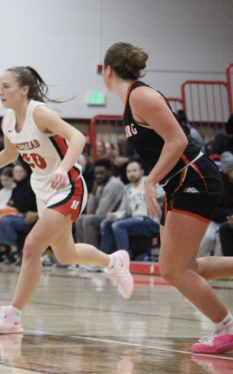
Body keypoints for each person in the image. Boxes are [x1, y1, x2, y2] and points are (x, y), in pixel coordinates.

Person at [0, 66, 134, 334]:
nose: (0, 91)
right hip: (43, 188)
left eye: (6, 86)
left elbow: (78, 137)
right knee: (66, 254)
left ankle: (13, 316)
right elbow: (9, 155)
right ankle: (114, 262)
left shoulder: (39, 112)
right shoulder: (8, 120)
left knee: (32, 247)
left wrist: (63, 168)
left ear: (24, 90)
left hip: (68, 185)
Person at [103, 42, 233, 354]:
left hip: (194, 177)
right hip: (181, 181)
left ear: (107, 71)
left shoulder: (141, 95)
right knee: (187, 268)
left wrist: (150, 183)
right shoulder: (131, 102)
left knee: (172, 270)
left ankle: (226, 328)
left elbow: (177, 140)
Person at [100, 160, 163, 256]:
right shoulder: (127, 188)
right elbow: (123, 210)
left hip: (150, 220)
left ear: (141, 172)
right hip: (133, 219)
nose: (131, 174)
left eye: (134, 171)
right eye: (128, 172)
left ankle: (124, 259)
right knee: (106, 223)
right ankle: (105, 258)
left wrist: (153, 197)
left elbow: (163, 195)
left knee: (118, 226)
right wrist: (114, 215)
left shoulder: (150, 182)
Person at [75, 159, 125, 248]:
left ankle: (92, 254)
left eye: (101, 173)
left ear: (109, 173)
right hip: (105, 216)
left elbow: (101, 213)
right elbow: (90, 211)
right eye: (96, 174)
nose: (98, 176)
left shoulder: (114, 185)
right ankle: (82, 253)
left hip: (118, 217)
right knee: (79, 219)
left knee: (88, 220)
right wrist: (93, 193)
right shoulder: (100, 186)